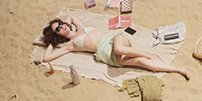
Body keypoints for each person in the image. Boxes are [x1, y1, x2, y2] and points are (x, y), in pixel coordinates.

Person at [41, 16, 190, 77]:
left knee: (120, 49)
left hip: (114, 39)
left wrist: (63, 23)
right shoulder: (70, 45)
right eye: (58, 29)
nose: (63, 27)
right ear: (57, 35)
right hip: (107, 55)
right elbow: (46, 58)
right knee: (141, 63)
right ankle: (178, 69)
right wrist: (51, 42)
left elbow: (71, 17)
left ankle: (148, 54)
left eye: (61, 24)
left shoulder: (79, 27)